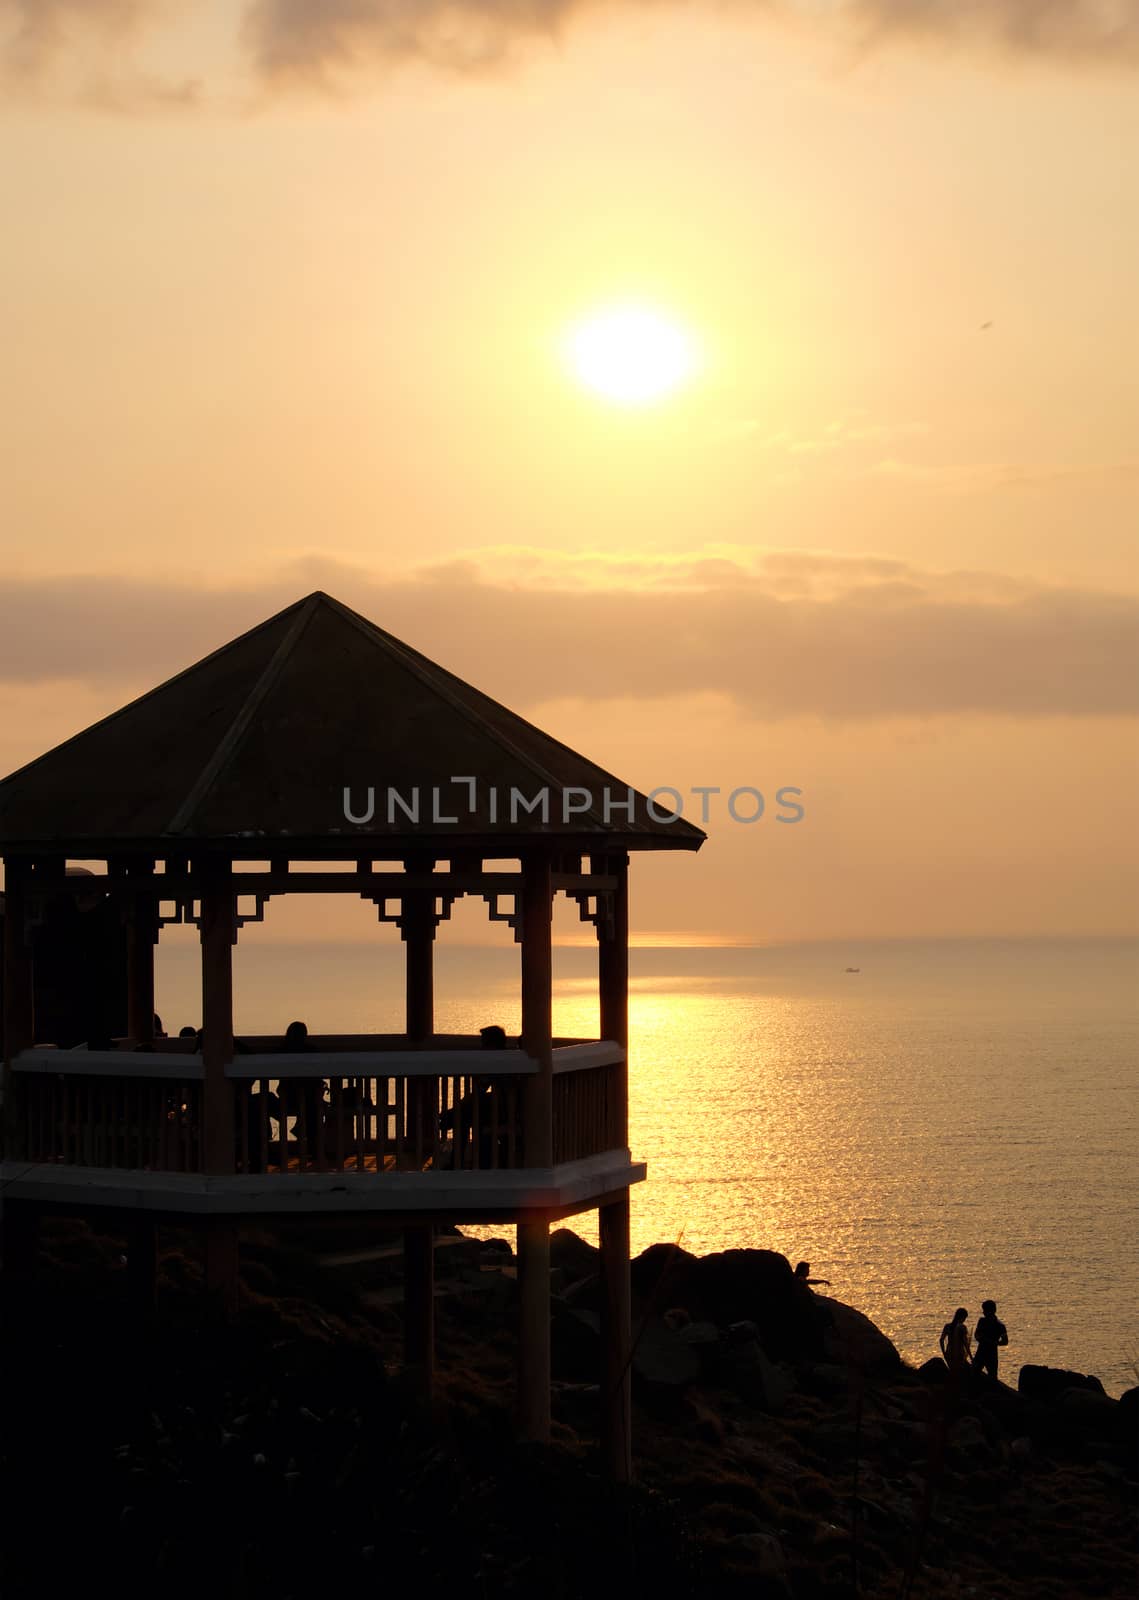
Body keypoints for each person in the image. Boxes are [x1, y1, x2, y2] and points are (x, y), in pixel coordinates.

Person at [973, 1299, 1009, 1380]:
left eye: (985, 1310)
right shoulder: (982, 1321)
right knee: (974, 1373)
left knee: (991, 1376)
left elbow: (1005, 1341)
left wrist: (991, 1342)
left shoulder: (1000, 1325)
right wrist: (981, 1339)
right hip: (983, 1351)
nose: (983, 1312)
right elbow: (976, 1335)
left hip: (989, 1353)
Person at [939, 1307, 972, 1375]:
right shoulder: (962, 1327)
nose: (964, 1320)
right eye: (965, 1318)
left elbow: (941, 1340)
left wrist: (944, 1352)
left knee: (953, 1372)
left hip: (949, 1352)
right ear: (962, 1317)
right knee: (960, 1374)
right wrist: (971, 1357)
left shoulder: (947, 1326)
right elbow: (966, 1344)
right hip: (960, 1354)